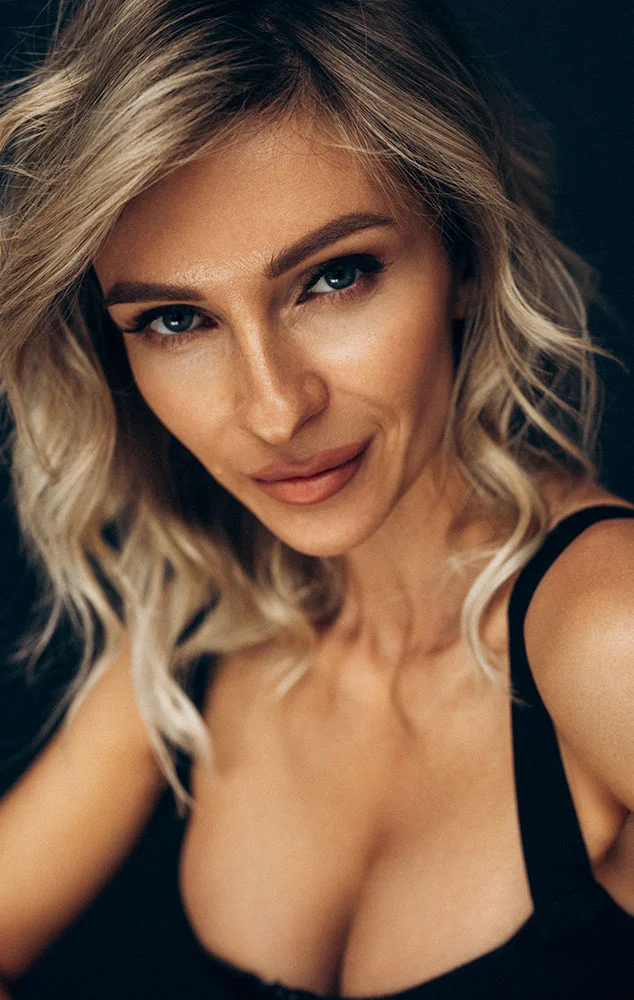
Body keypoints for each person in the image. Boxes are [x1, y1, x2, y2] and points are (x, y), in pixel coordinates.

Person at [0, 0, 633, 997]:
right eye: (174, 318)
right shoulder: (193, 652)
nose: (273, 407)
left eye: (335, 277)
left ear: (463, 254)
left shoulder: (608, 636)